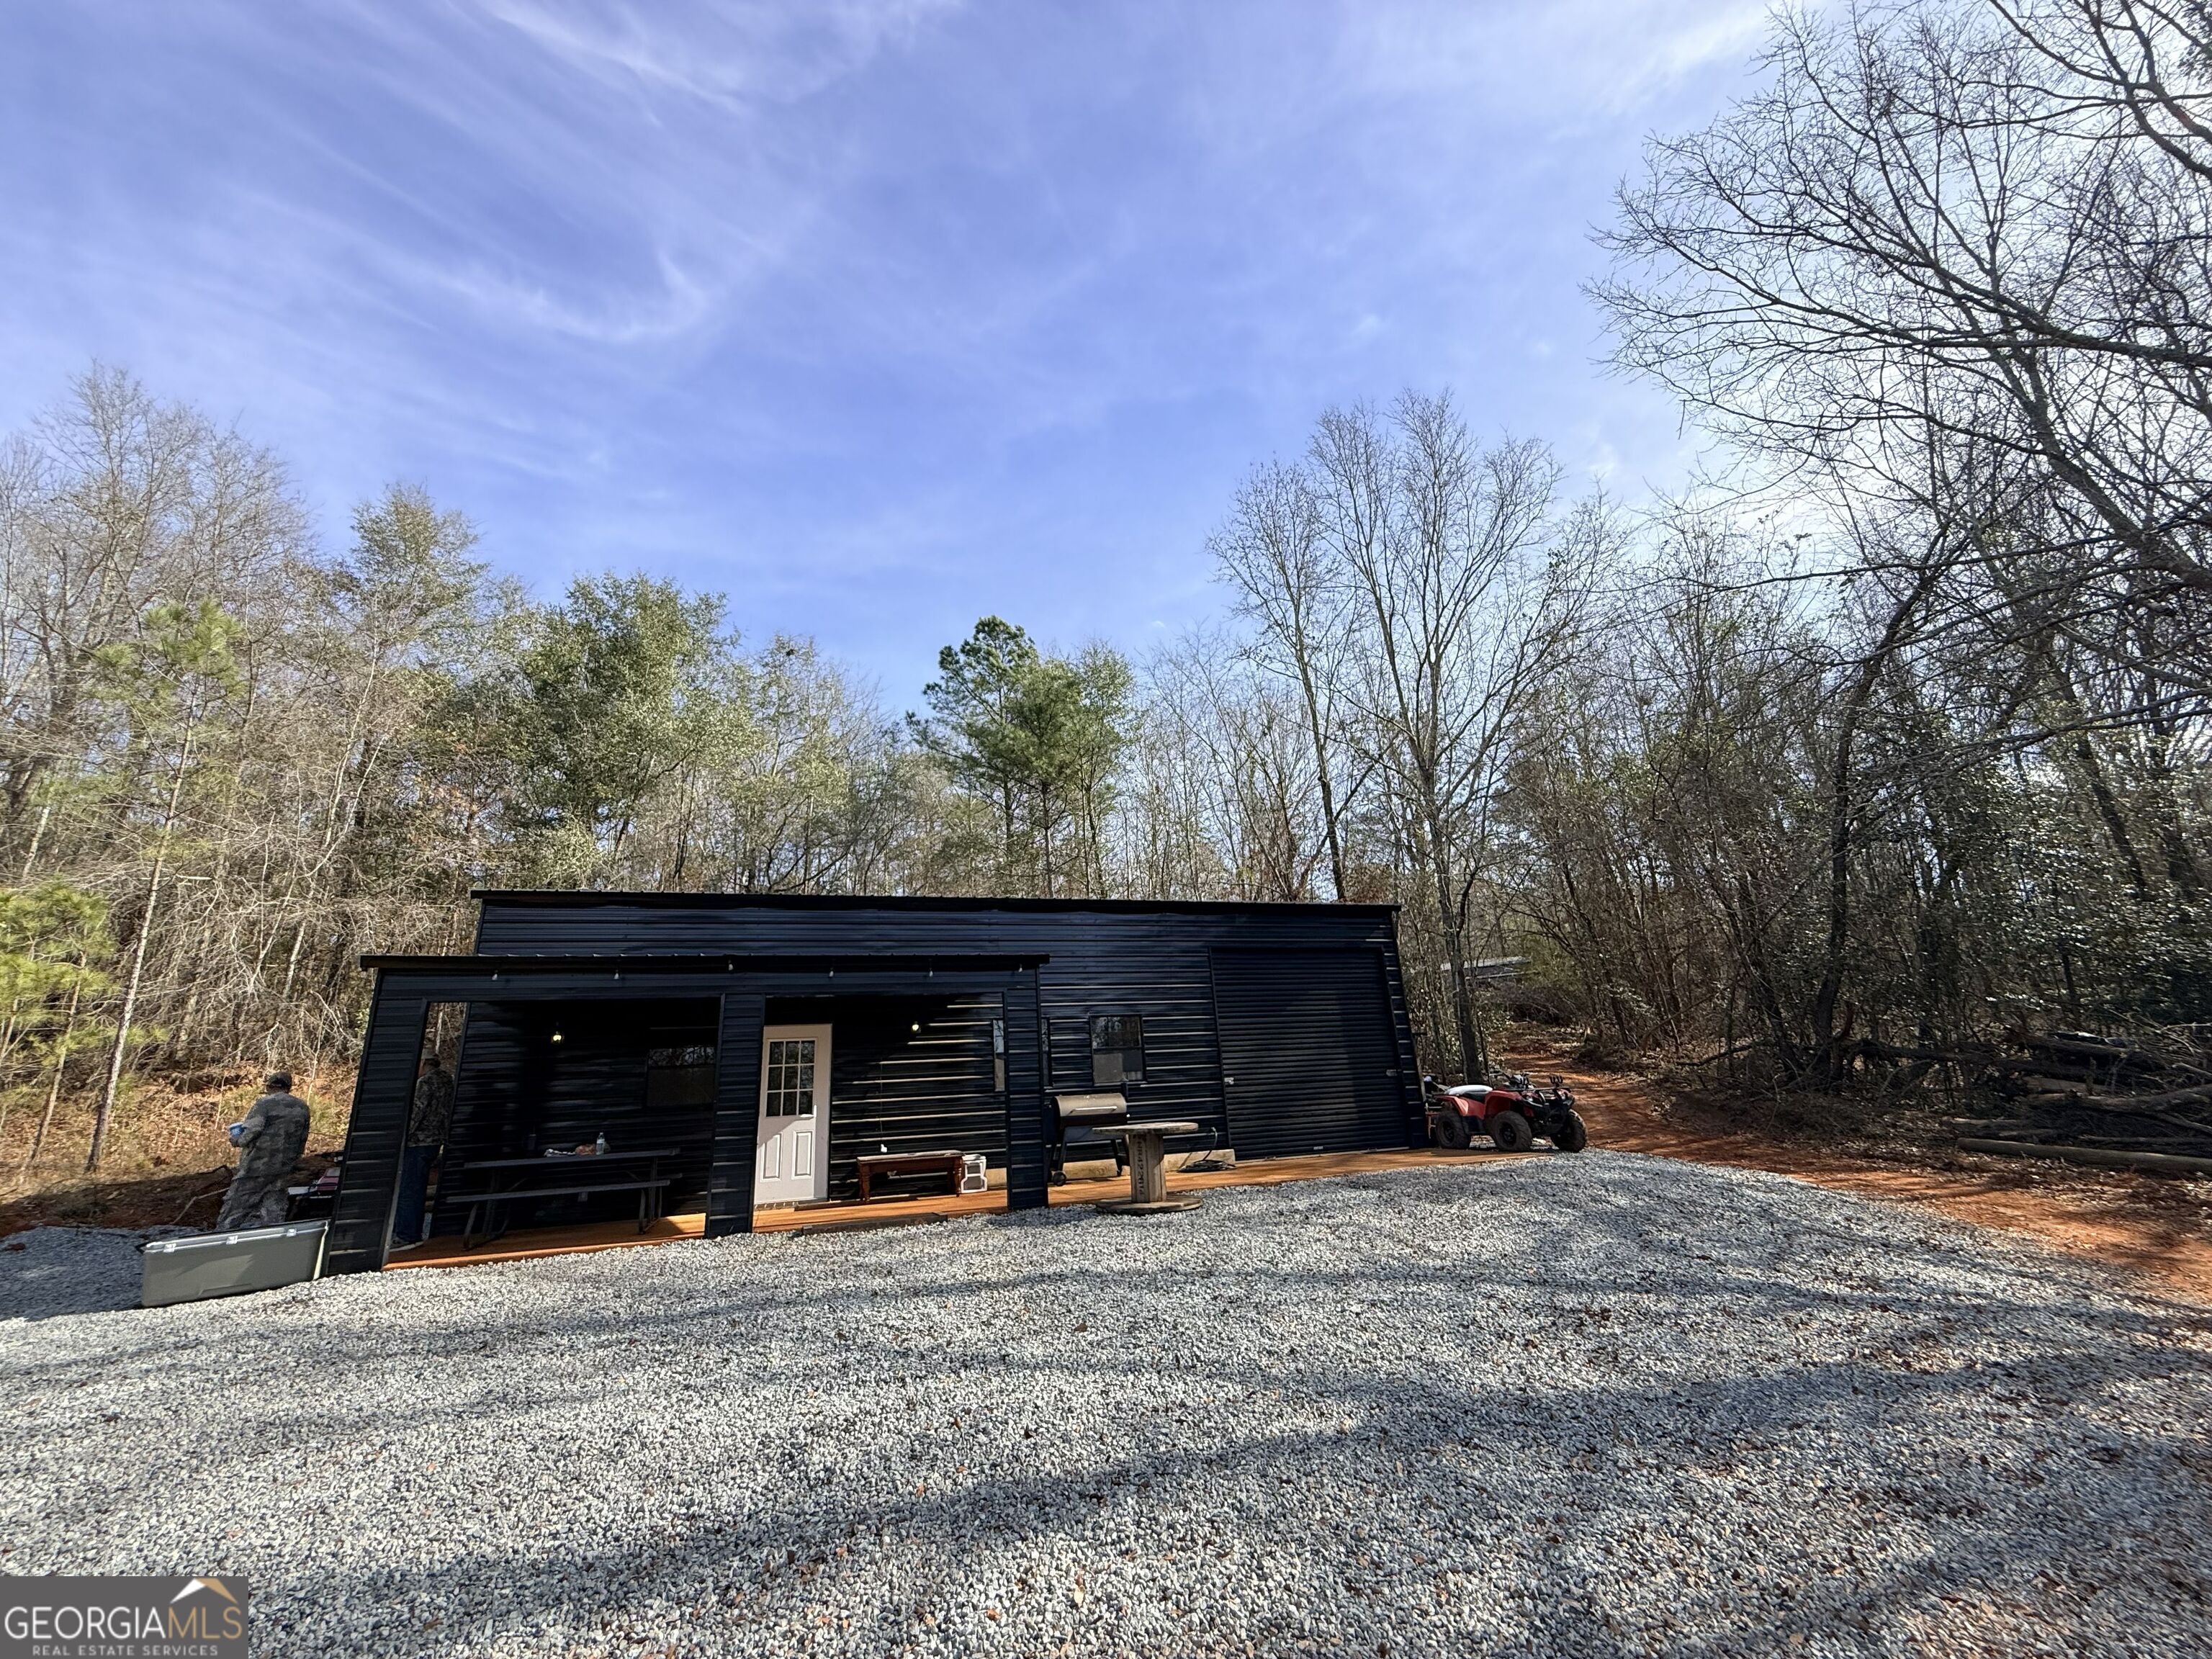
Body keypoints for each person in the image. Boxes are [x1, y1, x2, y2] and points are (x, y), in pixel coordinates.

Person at [214, 1072, 313, 1231]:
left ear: (269, 1086)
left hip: (258, 1165)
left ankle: (220, 1238)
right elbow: (303, 1138)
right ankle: (274, 1237)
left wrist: (236, 1140)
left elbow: (253, 1130)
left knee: (236, 1205)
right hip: (284, 1167)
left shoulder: (264, 1104)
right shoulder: (302, 1107)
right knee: (274, 1206)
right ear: (288, 1087)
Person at [394, 1054, 454, 1246]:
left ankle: (406, 1235)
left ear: (423, 1063)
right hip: (436, 1142)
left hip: (417, 1143)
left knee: (409, 1190)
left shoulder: (424, 1083)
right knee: (418, 1188)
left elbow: (416, 1114)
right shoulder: (447, 1080)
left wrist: (399, 1139)